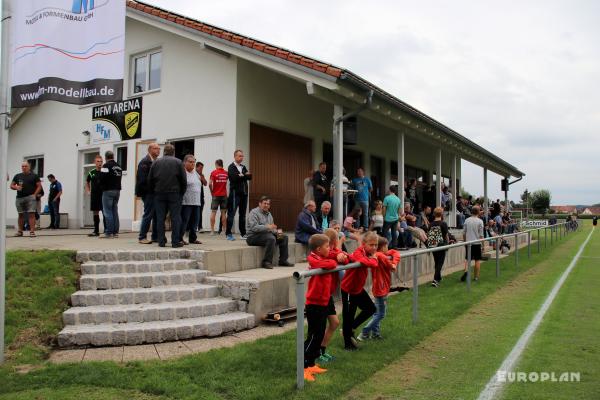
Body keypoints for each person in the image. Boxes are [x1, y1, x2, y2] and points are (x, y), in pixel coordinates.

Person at [303, 234, 337, 382]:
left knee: (319, 334)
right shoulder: (313, 258)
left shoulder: (322, 258)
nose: (329, 249)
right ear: (318, 249)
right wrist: (331, 262)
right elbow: (329, 264)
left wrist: (330, 260)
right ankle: (303, 367)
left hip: (323, 303)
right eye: (327, 246)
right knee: (313, 336)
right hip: (314, 304)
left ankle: (311, 364)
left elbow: (331, 262)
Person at [340, 231, 379, 350]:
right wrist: (374, 260)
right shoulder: (359, 252)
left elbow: (373, 261)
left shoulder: (369, 253)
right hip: (348, 289)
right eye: (371, 245)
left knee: (371, 308)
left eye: (375, 245)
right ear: (363, 244)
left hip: (357, 289)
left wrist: (374, 258)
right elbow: (365, 262)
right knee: (348, 316)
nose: (374, 247)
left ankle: (350, 329)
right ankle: (348, 344)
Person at [357, 237, 400, 340]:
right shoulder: (380, 255)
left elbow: (395, 252)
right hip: (380, 289)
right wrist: (394, 264)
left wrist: (394, 259)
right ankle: (364, 333)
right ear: (383, 247)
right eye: (386, 246)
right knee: (381, 314)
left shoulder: (380, 254)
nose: (388, 248)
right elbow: (392, 267)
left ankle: (375, 334)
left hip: (380, 288)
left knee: (377, 312)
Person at [318, 228, 349, 364]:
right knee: (319, 326)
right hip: (320, 295)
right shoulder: (325, 254)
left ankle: (321, 350)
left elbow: (345, 259)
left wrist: (340, 254)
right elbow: (330, 256)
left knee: (335, 323)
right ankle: (316, 353)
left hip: (327, 295)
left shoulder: (333, 252)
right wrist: (338, 253)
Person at [147, 143, 187, 247]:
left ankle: (161, 241)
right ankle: (175, 242)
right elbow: (183, 180)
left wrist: (153, 192)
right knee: (175, 218)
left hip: (159, 194)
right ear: (173, 152)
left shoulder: (156, 162)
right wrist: (181, 193)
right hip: (175, 194)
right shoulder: (178, 162)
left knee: (160, 218)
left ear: (164, 152)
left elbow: (150, 179)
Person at [246, 195, 294, 269]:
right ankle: (266, 262)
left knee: (284, 237)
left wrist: (277, 231)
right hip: (252, 237)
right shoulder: (254, 212)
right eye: (264, 203)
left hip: (265, 235)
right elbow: (254, 227)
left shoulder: (269, 214)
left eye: (268, 204)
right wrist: (267, 227)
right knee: (271, 238)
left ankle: (283, 260)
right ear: (260, 204)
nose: (266, 205)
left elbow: (271, 228)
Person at [136, 142, 160, 244]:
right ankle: (142, 237)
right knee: (148, 214)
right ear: (150, 150)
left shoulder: (156, 161)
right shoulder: (145, 162)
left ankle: (155, 236)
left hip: (155, 193)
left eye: (159, 148)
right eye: (155, 148)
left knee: (156, 215)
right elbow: (142, 180)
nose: (158, 150)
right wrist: (147, 193)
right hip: (149, 193)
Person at [226, 150, 252, 241]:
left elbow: (250, 177)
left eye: (242, 156)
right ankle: (228, 233)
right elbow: (234, 178)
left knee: (243, 214)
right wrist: (243, 175)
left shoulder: (243, 166)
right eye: (240, 156)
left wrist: (242, 175)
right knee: (231, 214)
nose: (242, 158)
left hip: (244, 194)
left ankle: (243, 233)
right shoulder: (231, 167)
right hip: (235, 194)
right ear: (235, 156)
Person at [10, 161, 41, 237]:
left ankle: (32, 232)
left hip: (30, 197)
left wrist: (34, 195)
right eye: (22, 166)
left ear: (29, 167)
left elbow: (39, 186)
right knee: (20, 215)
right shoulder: (17, 176)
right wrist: (16, 187)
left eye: (25, 166)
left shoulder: (34, 176)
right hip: (19, 198)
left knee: (31, 214)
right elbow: (11, 185)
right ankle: (20, 231)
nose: (24, 167)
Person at [180, 155, 203, 245]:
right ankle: (180, 238)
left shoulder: (195, 173)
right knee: (185, 221)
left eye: (194, 162)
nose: (193, 163)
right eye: (190, 162)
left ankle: (193, 238)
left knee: (195, 221)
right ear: (184, 162)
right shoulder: (183, 172)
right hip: (186, 202)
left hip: (197, 201)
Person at [99, 151, 122, 239]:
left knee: (107, 211)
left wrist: (100, 185)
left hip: (108, 191)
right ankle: (115, 232)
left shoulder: (105, 166)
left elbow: (102, 178)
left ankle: (109, 232)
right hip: (117, 191)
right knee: (114, 211)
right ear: (113, 156)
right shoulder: (119, 166)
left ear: (106, 157)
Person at [461, 205, 484, 282]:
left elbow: (464, 233)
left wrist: (465, 242)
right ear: (478, 212)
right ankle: (476, 277)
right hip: (477, 243)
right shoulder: (480, 221)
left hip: (469, 243)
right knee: (477, 260)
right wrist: (482, 245)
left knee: (468, 259)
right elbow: (481, 235)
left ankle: (466, 272)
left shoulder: (467, 220)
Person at [427, 207, 449, 287]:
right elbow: (446, 235)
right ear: (442, 214)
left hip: (433, 245)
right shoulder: (443, 223)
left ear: (434, 214)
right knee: (440, 263)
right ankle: (435, 280)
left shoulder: (431, 224)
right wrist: (448, 244)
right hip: (441, 245)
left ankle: (438, 277)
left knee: (437, 262)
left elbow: (428, 235)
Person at [209, 159, 228, 236]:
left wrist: (212, 192)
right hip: (224, 195)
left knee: (213, 212)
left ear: (216, 164)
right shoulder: (226, 173)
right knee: (223, 213)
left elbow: (210, 184)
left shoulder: (214, 173)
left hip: (216, 195)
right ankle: (224, 231)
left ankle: (212, 231)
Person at [86, 155, 104, 237]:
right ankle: (96, 231)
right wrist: (88, 190)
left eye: (101, 161)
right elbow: (87, 182)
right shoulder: (91, 172)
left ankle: (106, 230)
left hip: (103, 195)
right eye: (98, 161)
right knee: (95, 213)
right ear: (94, 162)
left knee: (105, 213)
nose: (100, 163)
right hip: (94, 195)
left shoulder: (104, 171)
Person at [195, 161, 208, 232]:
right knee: (195, 212)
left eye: (202, 168)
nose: (201, 170)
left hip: (201, 196)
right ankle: (195, 226)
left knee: (200, 212)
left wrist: (202, 177)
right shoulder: (193, 174)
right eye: (200, 168)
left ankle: (200, 227)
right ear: (196, 167)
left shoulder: (201, 175)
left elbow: (205, 183)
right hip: (195, 196)